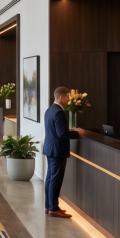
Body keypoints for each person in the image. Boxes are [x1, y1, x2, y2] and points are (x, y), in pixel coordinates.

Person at [43, 86, 83, 218]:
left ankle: (49, 206)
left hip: (50, 148)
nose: (69, 99)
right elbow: (61, 134)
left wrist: (69, 130)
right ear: (61, 98)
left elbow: (56, 130)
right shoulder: (59, 112)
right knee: (55, 179)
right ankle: (54, 208)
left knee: (50, 178)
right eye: (67, 97)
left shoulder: (50, 110)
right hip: (57, 150)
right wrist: (77, 133)